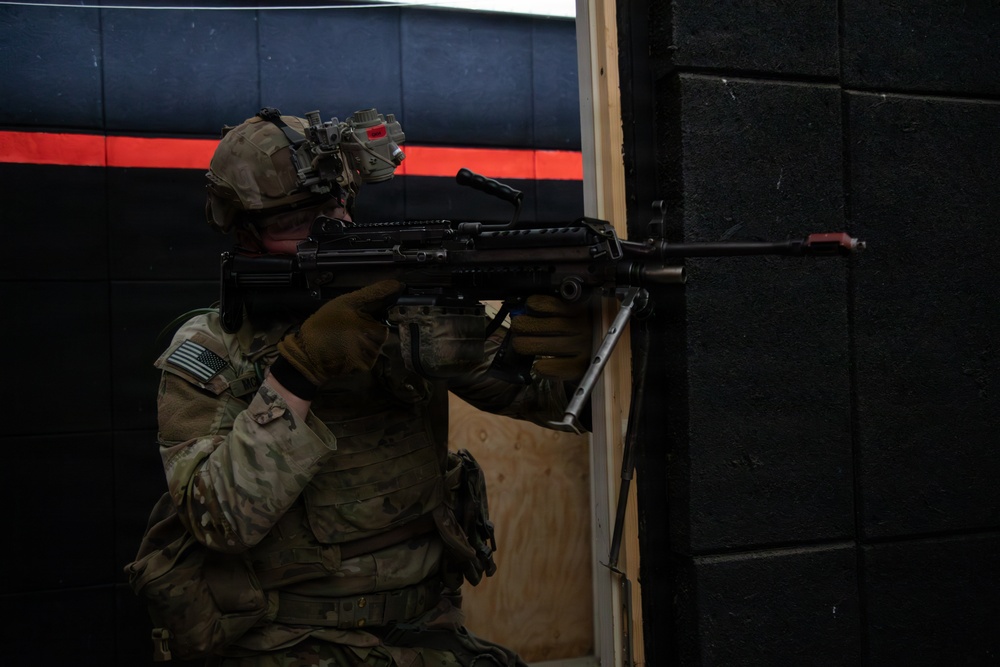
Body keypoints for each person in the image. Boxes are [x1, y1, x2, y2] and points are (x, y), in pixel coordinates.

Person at [148, 108, 592, 666]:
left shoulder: (397, 315)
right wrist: (298, 372)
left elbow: (559, 406)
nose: (331, 231)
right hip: (284, 640)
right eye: (297, 223)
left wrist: (573, 348)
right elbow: (221, 520)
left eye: (336, 209)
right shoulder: (214, 347)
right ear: (245, 235)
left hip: (424, 626)